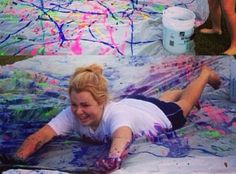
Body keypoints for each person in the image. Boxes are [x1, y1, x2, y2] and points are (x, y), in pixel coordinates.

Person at [5, 64, 220, 171]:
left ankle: (204, 75)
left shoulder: (116, 115)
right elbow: (40, 136)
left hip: (159, 115)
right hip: (137, 104)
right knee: (159, 101)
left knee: (183, 107)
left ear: (102, 102)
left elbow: (121, 138)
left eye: (85, 105)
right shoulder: (72, 113)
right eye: (74, 104)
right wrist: (19, 158)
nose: (78, 111)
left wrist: (110, 162)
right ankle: (174, 92)